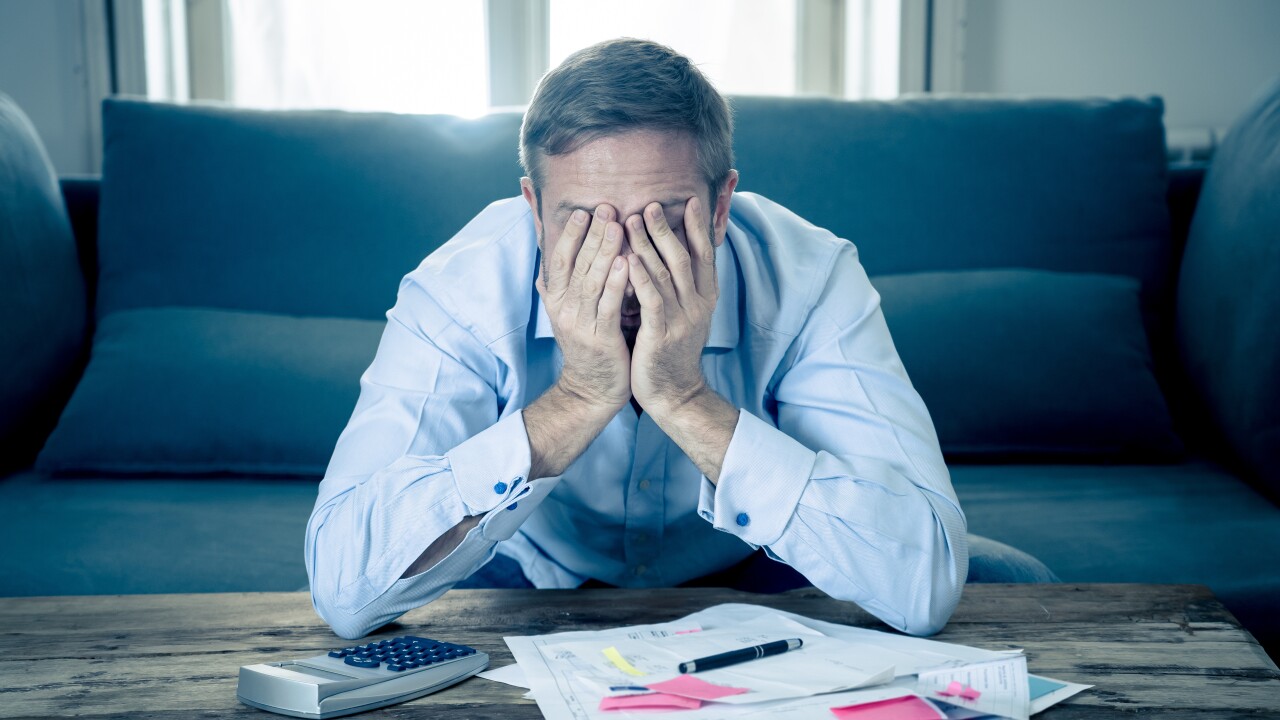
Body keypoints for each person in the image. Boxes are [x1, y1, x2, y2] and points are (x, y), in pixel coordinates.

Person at [306, 38, 1048, 642]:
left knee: (1008, 580)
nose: (626, 264)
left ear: (722, 207)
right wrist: (578, 398)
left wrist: (684, 397)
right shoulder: (458, 290)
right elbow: (342, 587)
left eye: (664, 221)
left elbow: (923, 583)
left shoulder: (811, 276)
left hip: (756, 565)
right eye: (583, 223)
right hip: (526, 568)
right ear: (533, 209)